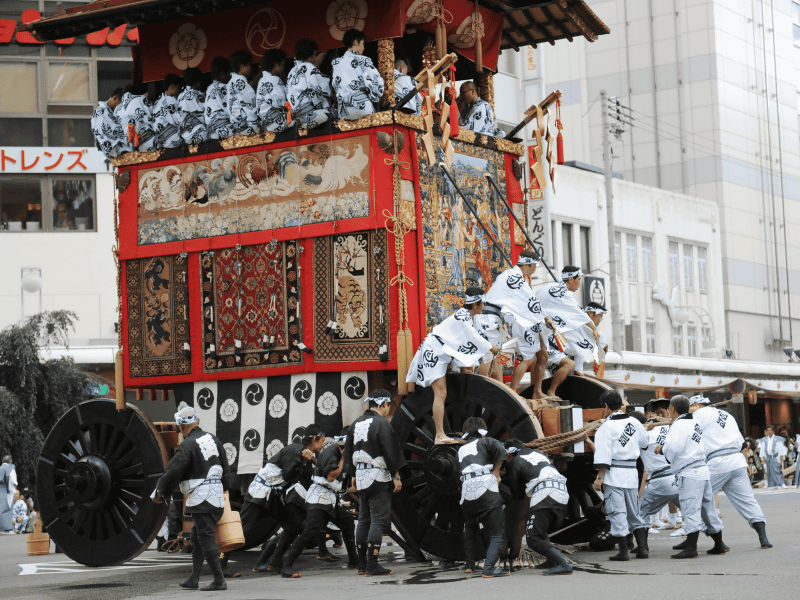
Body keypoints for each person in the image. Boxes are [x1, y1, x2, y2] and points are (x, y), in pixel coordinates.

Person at [406, 287, 499, 444]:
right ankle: (439, 435)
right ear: (476, 303)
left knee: (442, 393)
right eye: (482, 303)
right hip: (434, 352)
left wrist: (465, 368)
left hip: (439, 352)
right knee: (441, 393)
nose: (483, 306)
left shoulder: (467, 317)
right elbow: (474, 338)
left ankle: (441, 434)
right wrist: (491, 346)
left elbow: (461, 343)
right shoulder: (463, 319)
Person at [152, 406, 230, 591]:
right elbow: (226, 467)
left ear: (180, 426)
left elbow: (174, 469)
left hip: (202, 498)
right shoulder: (214, 439)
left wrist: (160, 490)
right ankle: (194, 578)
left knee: (205, 537)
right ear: (197, 422)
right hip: (217, 495)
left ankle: (219, 580)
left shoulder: (187, 445)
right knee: (196, 536)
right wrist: (224, 490)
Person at [690, 395, 772, 548]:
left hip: (717, 462)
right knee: (748, 501)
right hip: (736, 461)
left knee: (697, 499)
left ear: (695, 404)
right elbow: (741, 442)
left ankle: (709, 540)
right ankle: (764, 538)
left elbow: (690, 437)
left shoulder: (697, 415)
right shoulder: (727, 414)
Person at [655, 395, 727, 559]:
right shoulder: (694, 422)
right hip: (702, 469)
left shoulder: (679, 424)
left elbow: (673, 448)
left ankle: (692, 547)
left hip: (689, 472)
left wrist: (662, 449)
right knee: (707, 508)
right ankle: (719, 543)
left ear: (672, 409)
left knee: (690, 509)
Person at [247, 425, 325, 573]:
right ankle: (223, 562)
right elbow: (288, 475)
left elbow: (311, 478)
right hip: (266, 492)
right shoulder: (295, 450)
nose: (323, 444)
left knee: (291, 528)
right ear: (314, 439)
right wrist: (304, 461)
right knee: (246, 527)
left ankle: (269, 563)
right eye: (322, 440)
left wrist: (313, 460)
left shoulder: (309, 456)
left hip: (278, 495)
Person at [280, 430, 357, 577]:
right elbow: (331, 476)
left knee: (347, 523)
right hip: (319, 498)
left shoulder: (344, 455)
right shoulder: (331, 452)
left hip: (331, 499)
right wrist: (344, 457)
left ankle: (354, 561)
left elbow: (348, 485)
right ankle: (286, 566)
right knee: (310, 532)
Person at [343, 389, 404, 576]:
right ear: (384, 404)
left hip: (360, 477)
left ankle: (362, 565)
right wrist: (396, 476)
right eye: (388, 406)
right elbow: (390, 451)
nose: (388, 410)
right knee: (378, 520)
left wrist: (352, 475)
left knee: (363, 519)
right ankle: (373, 564)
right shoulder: (382, 424)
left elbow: (348, 451)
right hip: (378, 476)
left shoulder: (356, 423)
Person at [480, 250, 552, 392]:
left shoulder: (509, 274)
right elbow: (530, 300)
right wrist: (545, 318)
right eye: (534, 267)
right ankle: (484, 389)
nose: (534, 270)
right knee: (488, 356)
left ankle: (503, 390)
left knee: (496, 355)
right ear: (528, 264)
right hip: (489, 317)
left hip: (492, 317)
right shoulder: (516, 278)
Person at [593, 390, 649, 561]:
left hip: (614, 473)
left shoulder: (606, 427)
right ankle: (642, 549)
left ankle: (623, 551)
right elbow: (645, 443)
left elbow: (603, 455)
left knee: (617, 512)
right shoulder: (634, 422)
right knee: (634, 512)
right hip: (631, 473)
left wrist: (599, 477)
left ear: (606, 406)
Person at [504, 440, 572, 575]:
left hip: (544, 493)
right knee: (541, 530)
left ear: (509, 453)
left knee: (533, 538)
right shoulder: (540, 454)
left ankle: (564, 564)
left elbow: (517, 493)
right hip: (562, 490)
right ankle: (551, 560)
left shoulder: (515, 460)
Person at [457, 417, 509, 578]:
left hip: (467, 492)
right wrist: (496, 472)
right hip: (486, 488)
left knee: (470, 528)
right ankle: (488, 569)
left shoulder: (461, 449)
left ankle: (469, 565)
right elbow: (502, 450)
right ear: (483, 429)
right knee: (497, 533)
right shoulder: (487, 441)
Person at [537, 266, 600, 381]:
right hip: (543, 332)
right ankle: (578, 371)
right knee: (582, 334)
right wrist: (594, 329)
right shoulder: (563, 293)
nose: (580, 283)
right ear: (571, 279)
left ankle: (577, 370)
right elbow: (579, 313)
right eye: (579, 279)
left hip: (538, 329)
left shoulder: (551, 286)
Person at [630, 409, 677, 554]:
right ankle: (717, 542)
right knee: (694, 510)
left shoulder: (642, 436)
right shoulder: (663, 428)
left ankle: (643, 548)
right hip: (676, 477)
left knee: (640, 514)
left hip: (660, 479)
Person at [331, 29, 384, 120]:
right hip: (362, 108)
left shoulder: (336, 63)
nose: (364, 47)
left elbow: (335, 86)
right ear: (356, 42)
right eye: (363, 44)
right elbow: (376, 85)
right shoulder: (363, 60)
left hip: (344, 111)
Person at [287, 38, 334, 129]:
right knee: (337, 113)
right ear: (313, 53)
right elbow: (321, 91)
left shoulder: (291, 72)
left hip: (296, 118)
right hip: (310, 116)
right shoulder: (309, 67)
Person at [255, 49, 292, 133]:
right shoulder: (274, 80)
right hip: (277, 123)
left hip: (265, 125)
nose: (283, 68)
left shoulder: (261, 80)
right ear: (276, 64)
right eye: (282, 65)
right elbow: (283, 104)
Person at [226, 50, 259, 136]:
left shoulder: (230, 82)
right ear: (242, 66)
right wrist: (256, 127)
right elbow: (250, 104)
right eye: (249, 65)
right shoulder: (240, 81)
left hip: (237, 127)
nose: (251, 68)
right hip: (247, 127)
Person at [91, 88, 126, 158]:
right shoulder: (101, 111)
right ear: (115, 98)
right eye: (119, 103)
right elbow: (108, 130)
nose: (119, 106)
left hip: (113, 147)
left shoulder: (106, 110)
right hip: (112, 147)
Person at [205, 57, 233, 141]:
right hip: (224, 130)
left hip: (212, 133)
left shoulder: (209, 88)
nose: (229, 76)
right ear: (222, 73)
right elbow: (230, 110)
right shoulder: (222, 88)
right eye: (228, 73)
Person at [178, 68, 207, 145]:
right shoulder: (196, 94)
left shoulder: (180, 96)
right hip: (199, 134)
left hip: (184, 137)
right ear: (197, 81)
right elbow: (206, 115)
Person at [154, 73, 183, 149]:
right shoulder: (171, 101)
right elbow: (178, 121)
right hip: (172, 141)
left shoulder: (158, 102)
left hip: (160, 142)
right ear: (172, 87)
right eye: (178, 87)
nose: (179, 90)